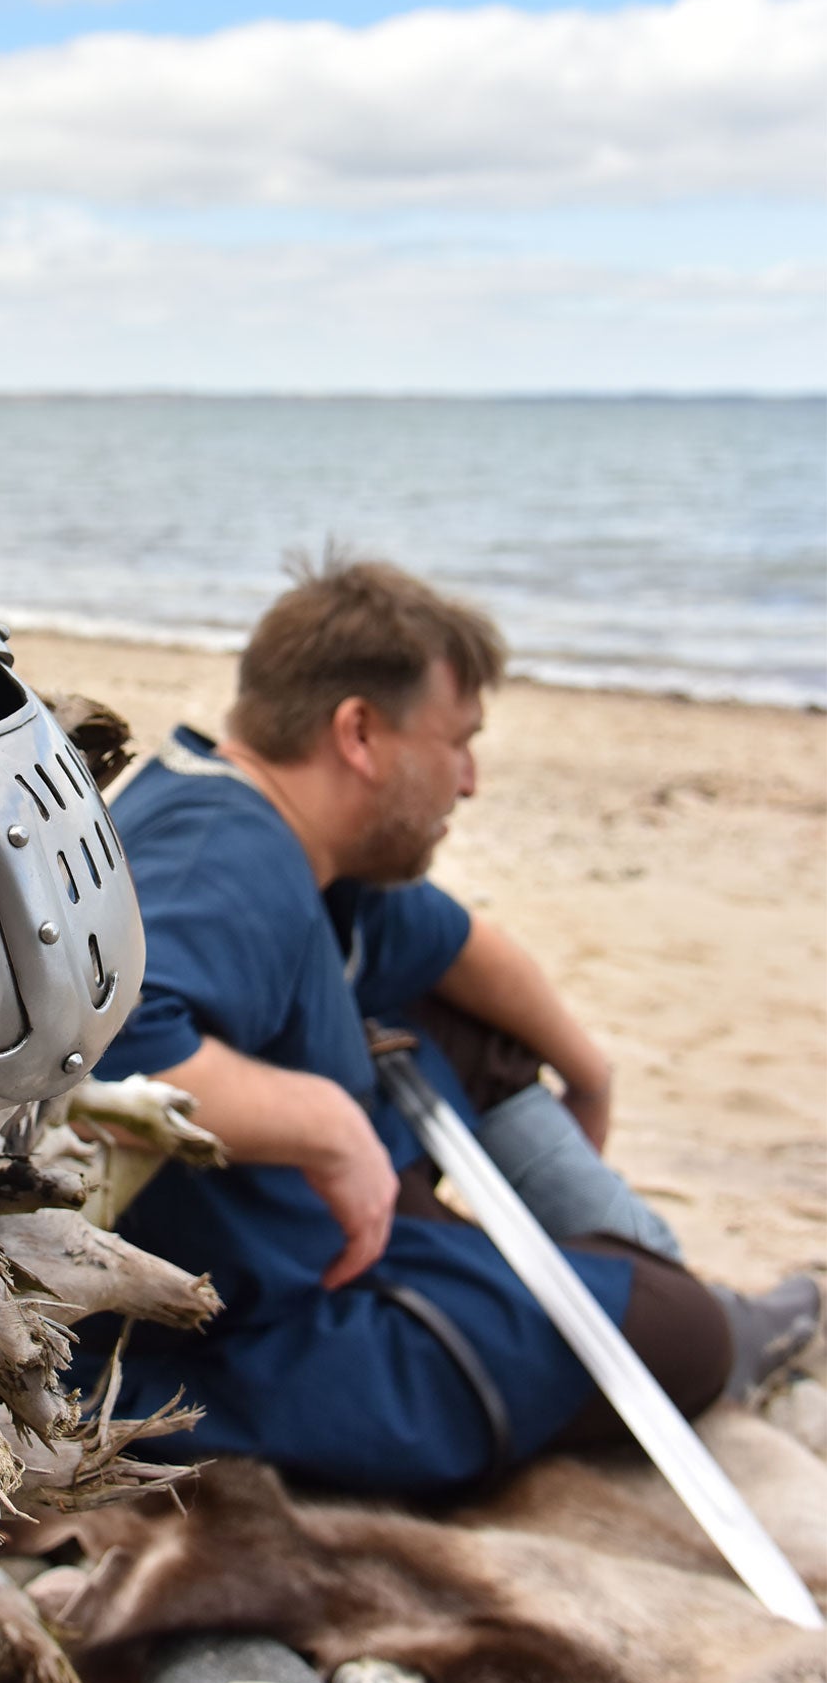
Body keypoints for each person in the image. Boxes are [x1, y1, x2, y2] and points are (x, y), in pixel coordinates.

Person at [74, 559, 819, 1495]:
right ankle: (678, 1306)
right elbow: (103, 1051)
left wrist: (590, 1075)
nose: (468, 782)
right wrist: (330, 1127)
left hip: (307, 1223)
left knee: (463, 1020)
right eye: (458, 742)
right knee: (688, 1332)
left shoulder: (270, 823)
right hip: (227, 1341)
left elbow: (455, 943)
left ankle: (601, 1265)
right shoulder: (226, 851)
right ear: (359, 733)